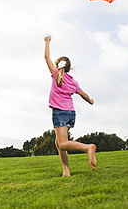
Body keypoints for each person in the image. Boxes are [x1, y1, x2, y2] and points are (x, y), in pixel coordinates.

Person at [44, 34, 97, 176]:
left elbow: (46, 57)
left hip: (59, 112)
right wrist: (90, 101)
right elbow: (84, 95)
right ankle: (66, 172)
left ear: (58, 66)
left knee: (62, 144)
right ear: (68, 68)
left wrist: (47, 41)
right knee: (58, 143)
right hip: (70, 113)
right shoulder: (74, 82)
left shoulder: (56, 75)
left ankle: (88, 148)